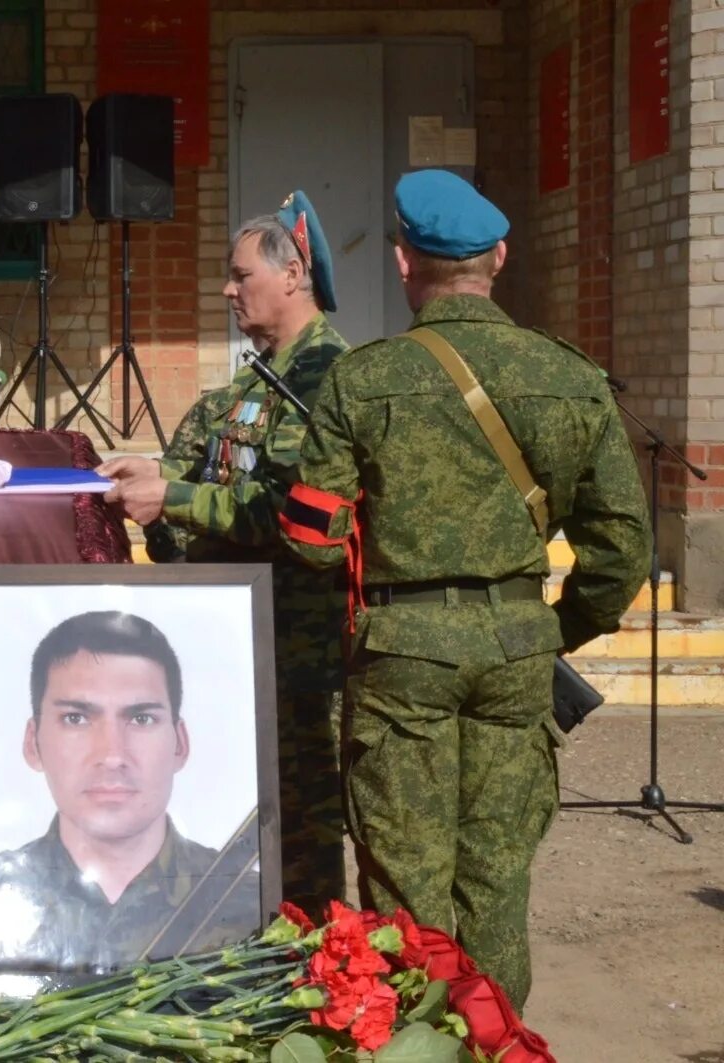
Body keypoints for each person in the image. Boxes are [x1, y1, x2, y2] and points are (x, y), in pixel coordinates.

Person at [278, 169, 650, 1008]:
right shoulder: (569, 376)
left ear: (405, 263)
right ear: (501, 258)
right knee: (495, 884)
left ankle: (418, 1039)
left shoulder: (362, 379)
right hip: (520, 652)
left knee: (409, 895)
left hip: (401, 660)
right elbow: (622, 548)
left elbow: (310, 538)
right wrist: (556, 628)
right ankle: (497, 1040)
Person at [98, 191, 349, 920]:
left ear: (294, 275)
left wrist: (173, 499)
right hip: (246, 638)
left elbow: (281, 510)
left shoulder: (321, 377)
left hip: (300, 650)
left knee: (302, 831)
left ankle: (317, 973)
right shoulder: (251, 382)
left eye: (241, 275)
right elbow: (198, 470)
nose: (227, 289)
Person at [0, 611, 261, 976]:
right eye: (76, 718)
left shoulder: (249, 901)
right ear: (33, 743)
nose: (111, 756)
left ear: (180, 744)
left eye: (141, 719)